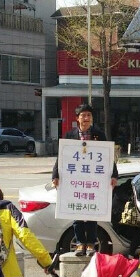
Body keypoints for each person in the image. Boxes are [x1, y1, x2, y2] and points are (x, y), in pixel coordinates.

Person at [51, 104, 118, 256]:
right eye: (83, 115)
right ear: (77, 118)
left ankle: (91, 244)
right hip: (76, 181)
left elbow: (108, 157)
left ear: (92, 118)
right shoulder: (69, 135)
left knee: (92, 212)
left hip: (93, 179)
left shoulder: (99, 135)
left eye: (88, 115)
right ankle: (81, 243)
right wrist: (55, 175)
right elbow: (61, 158)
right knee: (78, 212)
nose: (86, 118)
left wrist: (114, 175)